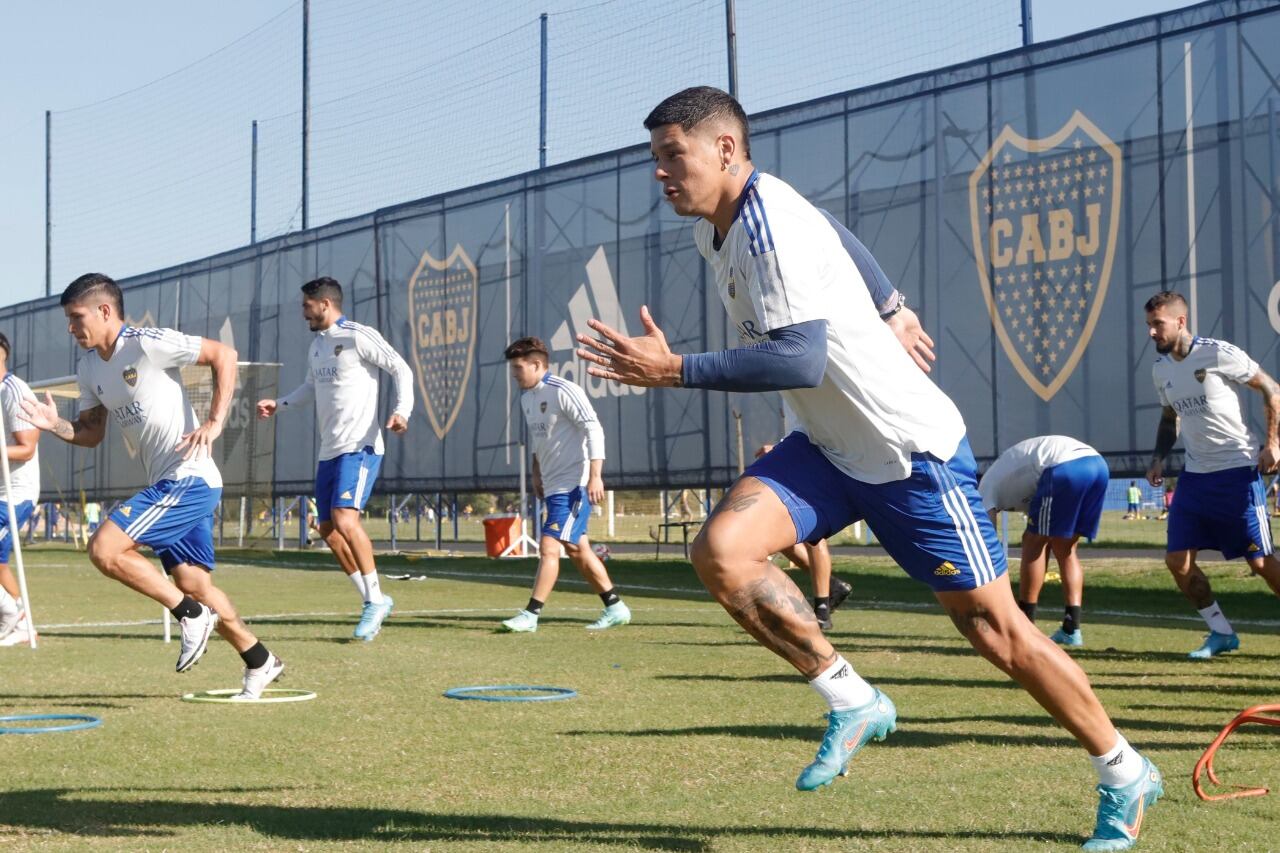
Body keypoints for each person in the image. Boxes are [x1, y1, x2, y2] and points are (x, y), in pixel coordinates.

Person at [575, 87, 1161, 850]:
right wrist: (890, 301)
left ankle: (1123, 768)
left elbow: (799, 357)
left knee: (997, 633)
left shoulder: (769, 225)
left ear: (724, 149)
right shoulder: (720, 228)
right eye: (655, 157)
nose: (659, 172)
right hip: (827, 447)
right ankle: (851, 697)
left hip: (907, 454)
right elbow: (836, 232)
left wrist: (675, 369)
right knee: (721, 550)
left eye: (671, 155)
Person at [22, 273, 284, 698]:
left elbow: (224, 354)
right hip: (169, 482)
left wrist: (214, 422)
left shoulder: (146, 343)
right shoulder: (89, 367)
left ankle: (190, 615)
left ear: (104, 311)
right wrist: (55, 425)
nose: (70, 328)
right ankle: (260, 659)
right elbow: (90, 433)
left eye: (76, 317)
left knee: (105, 550)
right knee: (195, 585)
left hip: (189, 478)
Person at [257, 277, 414, 642]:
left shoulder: (359, 336)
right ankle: (374, 600)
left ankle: (375, 600)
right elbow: (310, 387)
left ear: (325, 304)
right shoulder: (317, 346)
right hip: (329, 451)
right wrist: (279, 404)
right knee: (328, 529)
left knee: (345, 519)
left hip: (360, 446)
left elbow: (400, 368)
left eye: (306, 305)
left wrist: (402, 411)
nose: (303, 313)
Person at [1144, 290, 1280, 659]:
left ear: (1180, 321)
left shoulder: (1217, 353)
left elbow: (1272, 389)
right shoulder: (1161, 369)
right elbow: (1169, 417)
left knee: (1261, 562)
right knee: (1177, 562)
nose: (1152, 332)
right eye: (1149, 325)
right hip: (1195, 478)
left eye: (1158, 324)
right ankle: (1221, 632)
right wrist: (1158, 458)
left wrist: (1273, 443)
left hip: (1236, 473)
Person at [500, 337, 631, 633]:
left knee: (549, 547)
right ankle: (616, 607)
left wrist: (595, 475)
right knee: (577, 549)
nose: (515, 374)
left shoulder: (564, 390)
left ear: (537, 364)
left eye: (519, 368)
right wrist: (536, 473)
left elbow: (593, 428)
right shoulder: (527, 398)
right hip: (552, 484)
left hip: (574, 485)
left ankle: (531, 615)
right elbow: (539, 441)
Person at [979, 435, 1110, 648]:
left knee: (1032, 542)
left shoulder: (983, 489)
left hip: (1063, 466)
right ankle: (1071, 628)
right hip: (1097, 466)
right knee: (1064, 548)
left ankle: (1024, 624)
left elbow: (986, 540)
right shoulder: (1012, 483)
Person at [756, 442, 851, 631]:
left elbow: (819, 435)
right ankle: (831, 585)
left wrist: (778, 447)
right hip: (803, 470)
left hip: (829, 469)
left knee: (815, 537)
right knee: (782, 539)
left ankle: (822, 611)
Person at [0, 331, 40, 645]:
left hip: (16, 493)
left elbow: (26, 449)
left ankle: (14, 616)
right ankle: (21, 621)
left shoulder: (14, 390)